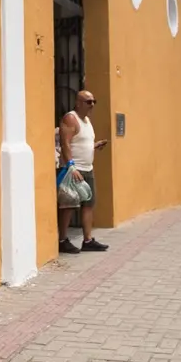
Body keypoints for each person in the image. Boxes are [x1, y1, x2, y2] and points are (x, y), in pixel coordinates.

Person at [58, 90, 109, 254]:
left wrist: (95, 146)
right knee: (69, 204)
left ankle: (87, 240)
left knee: (88, 204)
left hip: (88, 168)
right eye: (88, 101)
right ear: (78, 102)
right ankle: (62, 240)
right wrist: (71, 166)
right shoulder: (70, 118)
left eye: (94, 101)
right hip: (74, 169)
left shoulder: (87, 121)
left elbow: (81, 144)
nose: (92, 104)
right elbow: (65, 144)